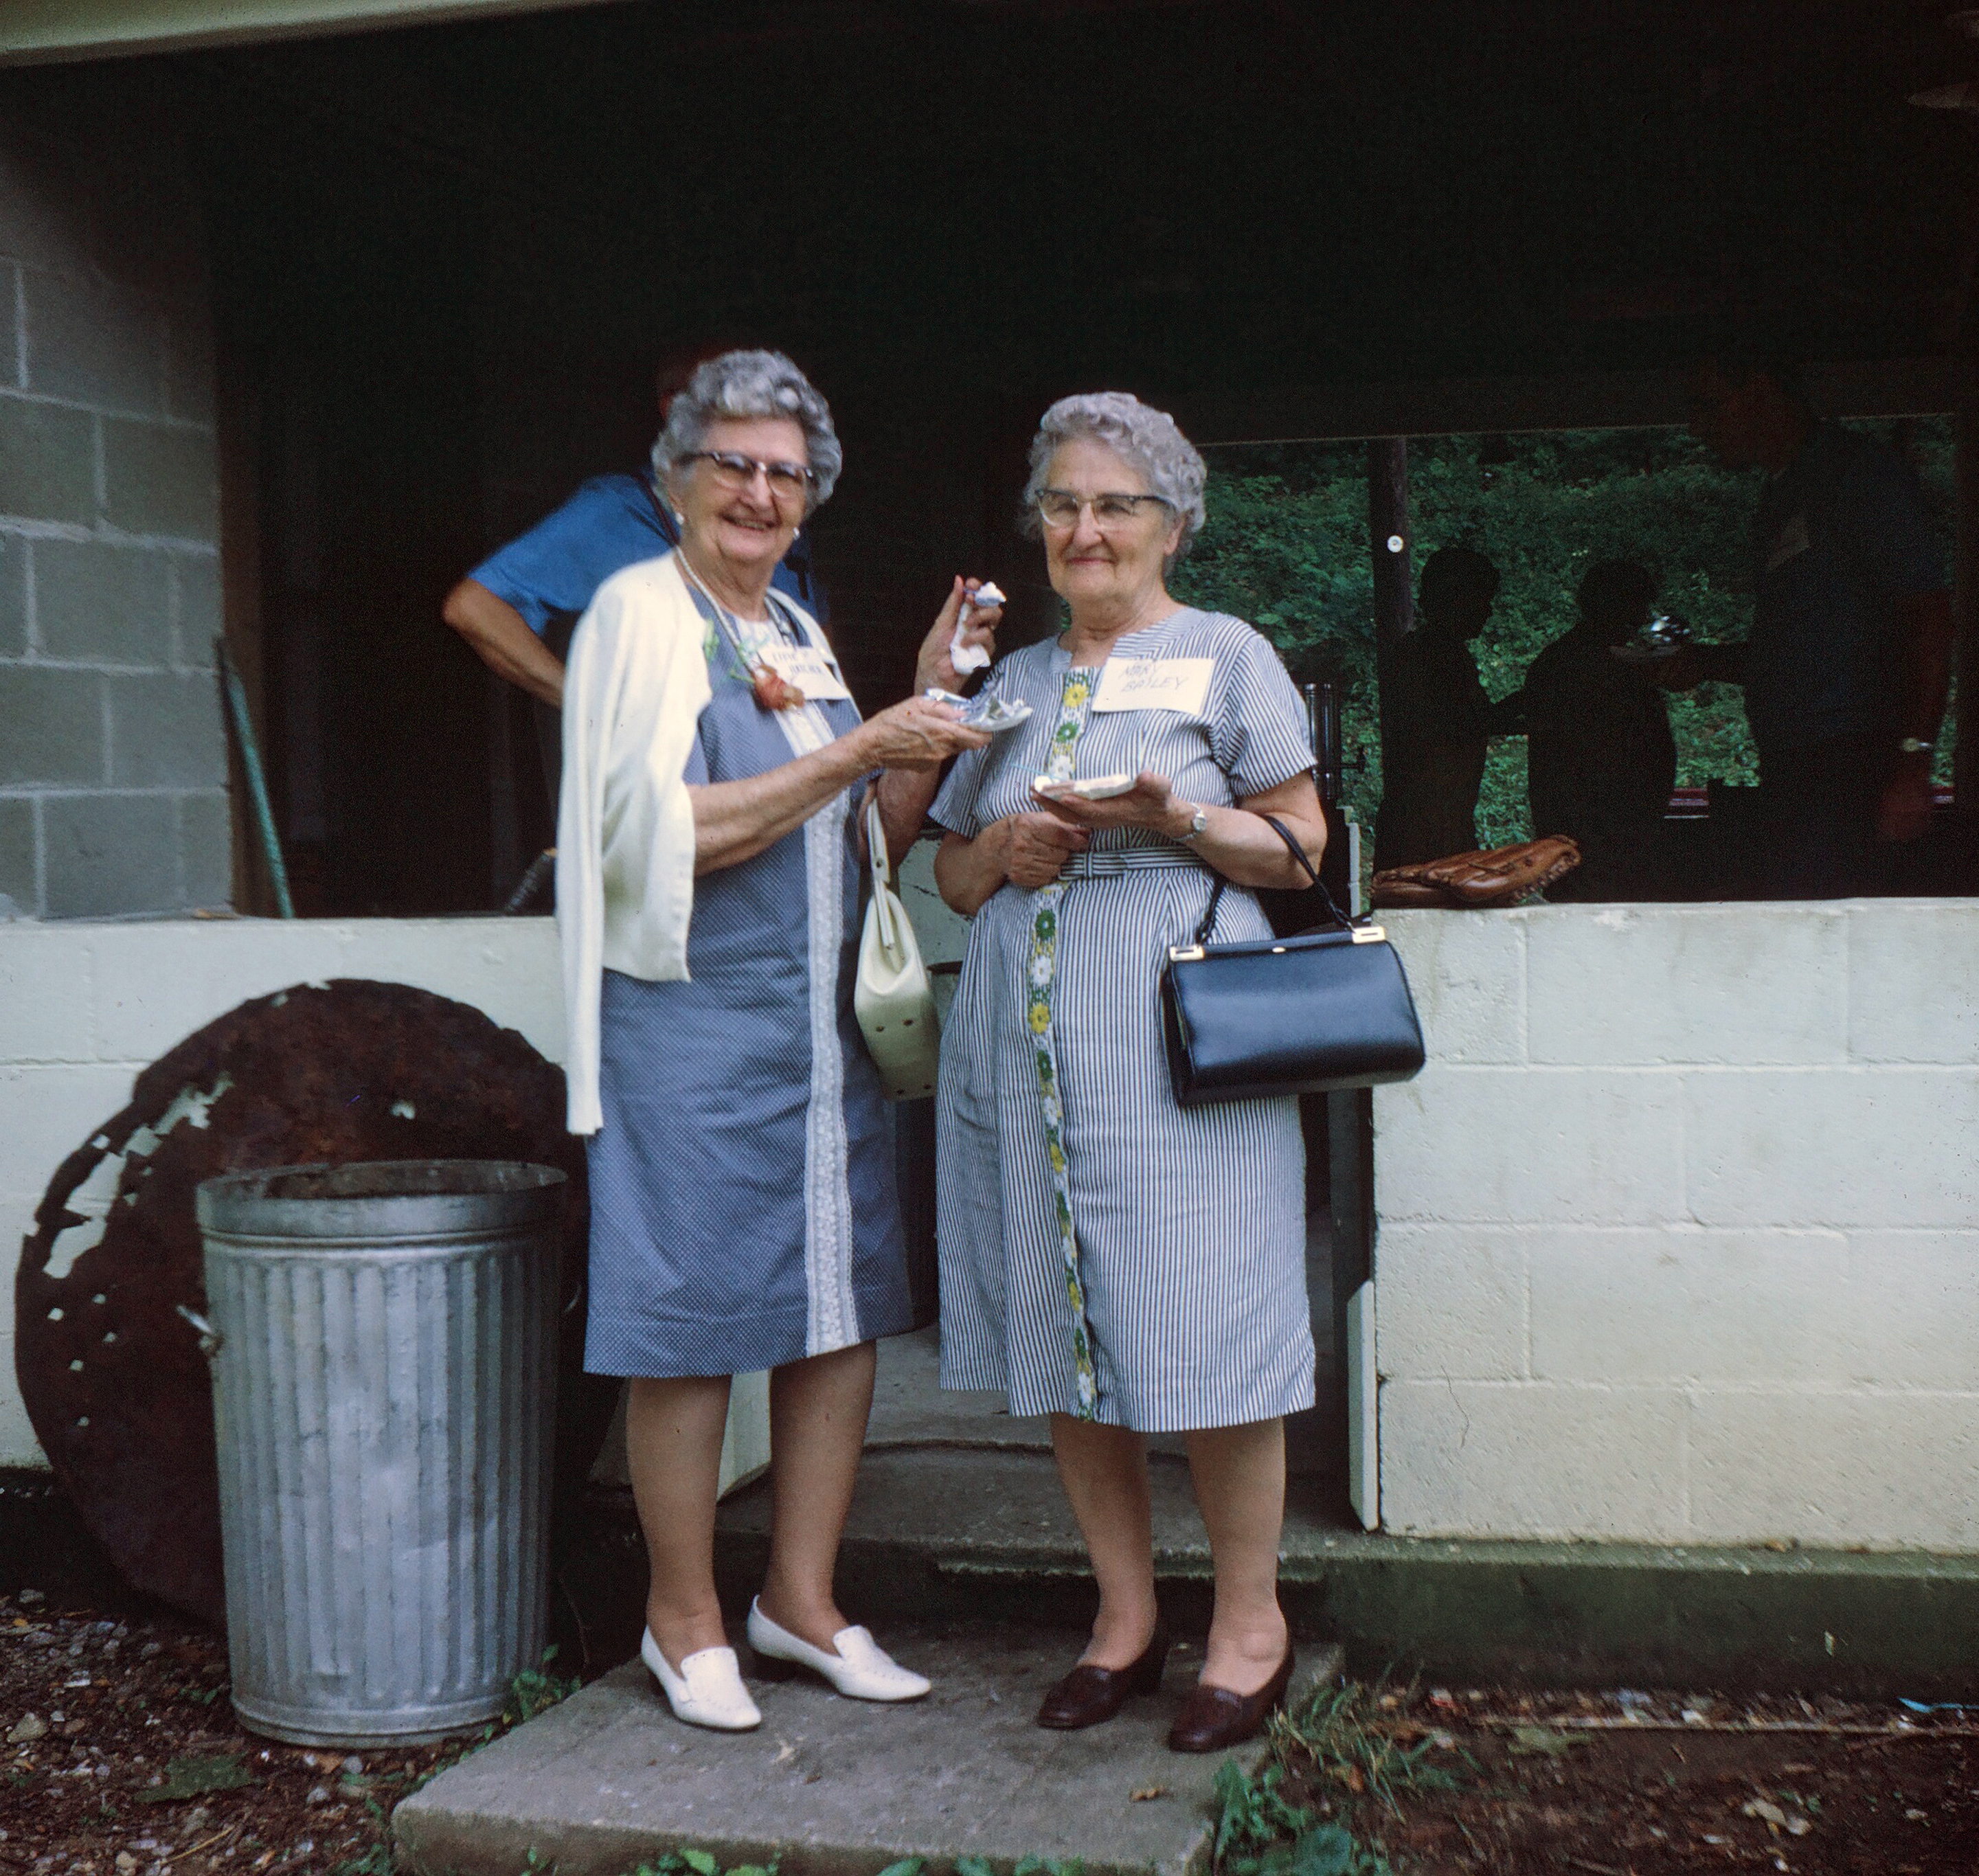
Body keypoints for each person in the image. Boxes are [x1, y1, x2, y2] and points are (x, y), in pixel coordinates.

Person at [556, 350, 999, 1732]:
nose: (758, 492)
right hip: (688, 1016)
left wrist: (920, 717)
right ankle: (681, 1622)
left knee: (838, 1310)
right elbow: (655, 835)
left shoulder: (790, 627)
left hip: (817, 1027)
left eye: (785, 473)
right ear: (676, 479)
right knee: (689, 1321)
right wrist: (861, 748)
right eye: (731, 465)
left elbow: (867, 839)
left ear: (812, 499)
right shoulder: (637, 614)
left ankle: (797, 1603)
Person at [929, 393, 1327, 1754]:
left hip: (1178, 1051)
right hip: (1025, 1055)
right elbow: (945, 868)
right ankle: (1121, 1619)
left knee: (1207, 1328)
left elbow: (1303, 848)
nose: (1084, 530)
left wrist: (1178, 815)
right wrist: (1002, 856)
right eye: (1061, 505)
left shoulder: (1225, 656)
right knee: (1067, 1331)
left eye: (1114, 505)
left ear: (1171, 524)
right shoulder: (1014, 682)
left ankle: (1249, 1627)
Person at [441, 353, 829, 802]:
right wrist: (587, 703)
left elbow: (815, 653)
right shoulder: (617, 509)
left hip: (791, 795)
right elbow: (474, 608)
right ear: (673, 410)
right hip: (678, 814)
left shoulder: (776, 520)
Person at [1677, 356, 1953, 898]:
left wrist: (1914, 762)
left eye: (1708, 406)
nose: (1696, 428)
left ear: (1758, 391)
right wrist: (1702, 662)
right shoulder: (1778, 501)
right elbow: (1795, 647)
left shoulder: (1858, 475)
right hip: (1793, 770)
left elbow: (1926, 613)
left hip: (1855, 765)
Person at [1497, 560, 1677, 900]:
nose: (1641, 618)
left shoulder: (1564, 662)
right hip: (1600, 833)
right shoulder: (1584, 666)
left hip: (1607, 831)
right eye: (1636, 605)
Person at [1372, 547, 1503, 868]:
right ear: (1457, 599)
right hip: (1428, 830)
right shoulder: (1433, 656)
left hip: (1432, 824)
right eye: (1482, 599)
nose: (1488, 612)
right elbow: (1454, 728)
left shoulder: (1430, 653)